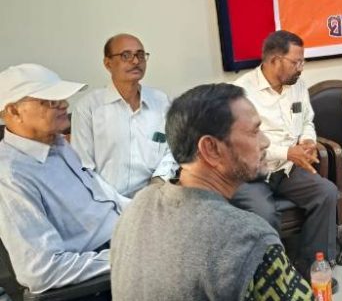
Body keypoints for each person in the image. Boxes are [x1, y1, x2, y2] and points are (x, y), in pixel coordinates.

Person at [111, 83, 313, 300]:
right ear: (211, 149)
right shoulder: (249, 239)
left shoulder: (138, 205)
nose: (265, 142)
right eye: (254, 131)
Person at [0, 64, 127, 294]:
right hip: (102, 270)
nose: (65, 105)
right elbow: (42, 271)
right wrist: (124, 257)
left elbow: (102, 195)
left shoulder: (57, 143)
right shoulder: (10, 176)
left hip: (125, 234)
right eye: (50, 101)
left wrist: (148, 211)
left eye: (62, 98)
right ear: (14, 111)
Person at [233, 31, 338, 288]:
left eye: (302, 61)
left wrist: (308, 141)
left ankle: (311, 265)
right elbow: (244, 143)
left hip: (288, 170)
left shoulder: (297, 86)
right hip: (252, 174)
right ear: (274, 60)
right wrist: (287, 152)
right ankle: (272, 277)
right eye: (296, 62)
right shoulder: (241, 91)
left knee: (326, 192)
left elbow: (307, 120)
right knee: (263, 212)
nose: (301, 68)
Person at [72, 33, 178, 198]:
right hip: (105, 202)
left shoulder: (161, 101)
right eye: (126, 55)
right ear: (108, 63)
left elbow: (173, 150)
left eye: (140, 55)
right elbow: (84, 167)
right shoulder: (89, 107)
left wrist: (157, 183)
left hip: (155, 196)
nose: (135, 61)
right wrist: (118, 203)